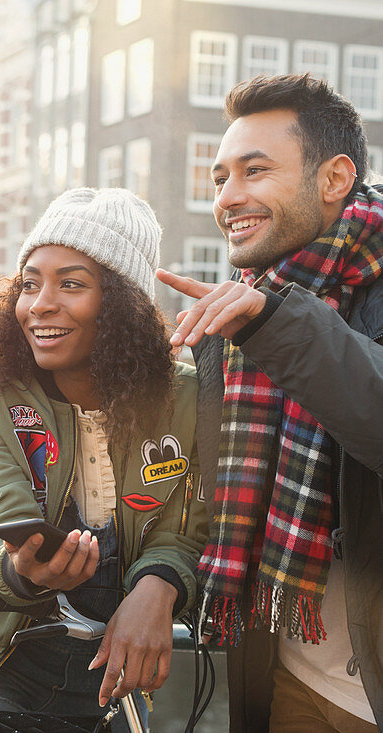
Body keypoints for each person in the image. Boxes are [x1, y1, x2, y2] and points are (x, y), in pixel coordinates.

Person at [0, 188, 208, 731]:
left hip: (110, 666)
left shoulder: (186, 400)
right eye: (29, 283)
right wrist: (23, 569)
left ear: (121, 304)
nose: (39, 304)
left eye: (70, 283)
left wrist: (158, 586)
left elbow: (185, 527)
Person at [156, 73, 383, 732]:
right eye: (221, 177)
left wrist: (276, 322)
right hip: (288, 675)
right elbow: (192, 496)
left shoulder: (258, 315)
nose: (229, 197)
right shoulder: (236, 320)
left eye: (254, 171)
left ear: (335, 178)